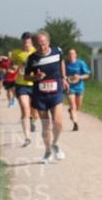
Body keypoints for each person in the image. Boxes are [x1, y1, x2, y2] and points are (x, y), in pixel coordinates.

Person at [25, 31, 70, 163]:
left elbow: (61, 62)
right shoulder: (32, 59)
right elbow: (26, 76)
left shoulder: (57, 51)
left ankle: (55, 144)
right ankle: (48, 151)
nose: (42, 47)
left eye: (44, 44)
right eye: (38, 45)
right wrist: (36, 77)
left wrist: (64, 78)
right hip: (40, 95)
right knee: (46, 126)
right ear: (34, 45)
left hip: (56, 92)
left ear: (48, 42)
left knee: (58, 122)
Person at [9, 33, 38, 147]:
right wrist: (13, 67)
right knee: (25, 109)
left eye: (28, 41)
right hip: (21, 84)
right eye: (25, 41)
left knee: (35, 112)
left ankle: (33, 120)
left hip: (35, 84)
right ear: (22, 41)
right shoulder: (16, 53)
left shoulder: (36, 52)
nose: (26, 43)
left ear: (31, 42)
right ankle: (27, 138)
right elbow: (12, 65)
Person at [65, 49, 91, 131]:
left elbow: (87, 74)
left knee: (78, 106)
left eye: (73, 54)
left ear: (76, 55)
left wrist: (79, 77)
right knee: (73, 105)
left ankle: (71, 112)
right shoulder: (65, 64)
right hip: (69, 87)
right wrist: (66, 78)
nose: (71, 56)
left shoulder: (81, 63)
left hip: (79, 87)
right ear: (67, 56)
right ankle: (75, 124)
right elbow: (62, 75)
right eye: (69, 54)